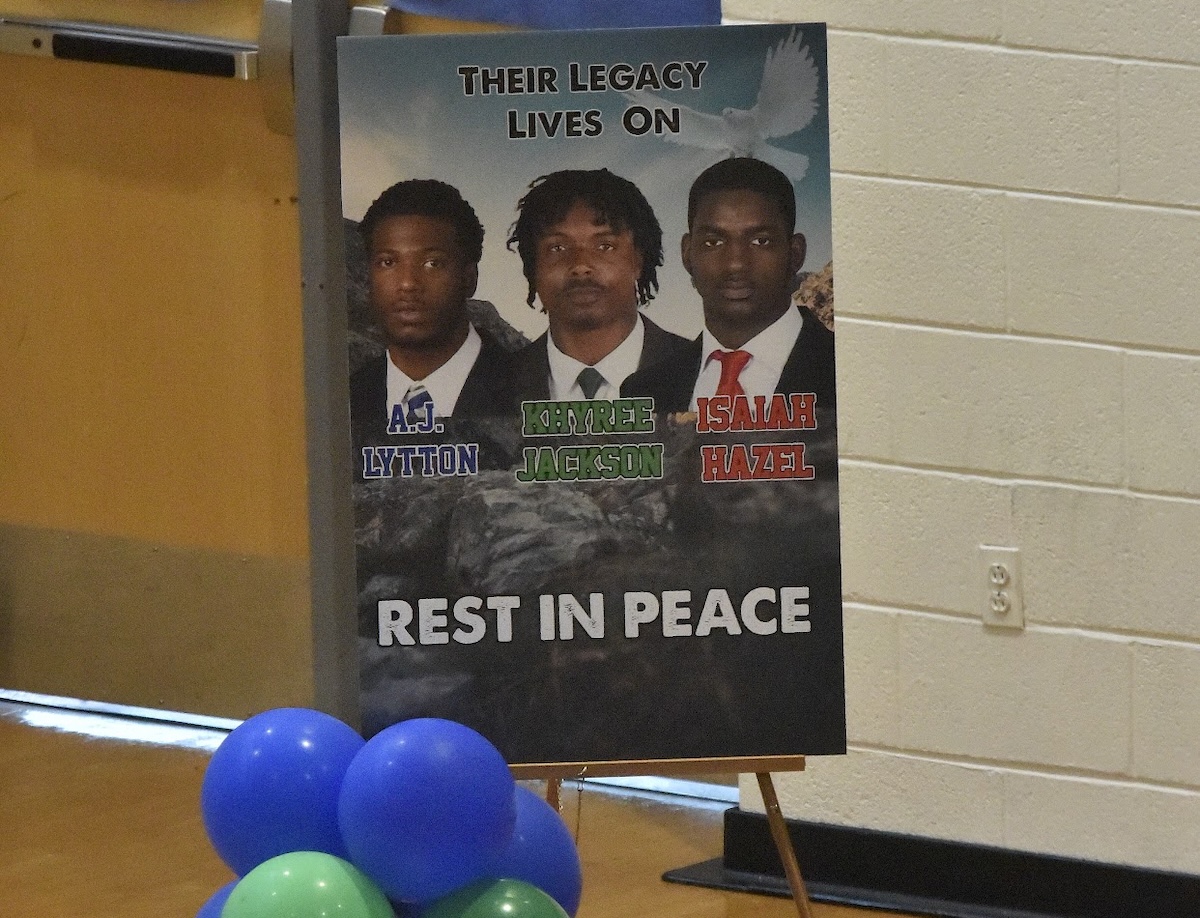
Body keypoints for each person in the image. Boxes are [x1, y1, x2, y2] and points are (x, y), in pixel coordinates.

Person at [622, 157, 835, 416]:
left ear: (795, 253)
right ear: (688, 254)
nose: (735, 264)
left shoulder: (850, 370)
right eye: (714, 242)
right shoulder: (642, 392)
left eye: (760, 241)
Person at [349, 178, 518, 453]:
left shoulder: (535, 391)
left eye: (432, 263)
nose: (407, 283)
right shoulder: (342, 401)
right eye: (388, 262)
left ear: (469, 278)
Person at [506, 169, 689, 402]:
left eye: (605, 246)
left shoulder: (703, 372)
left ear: (638, 261)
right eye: (557, 248)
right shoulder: (486, 389)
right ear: (533, 265)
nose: (580, 265)